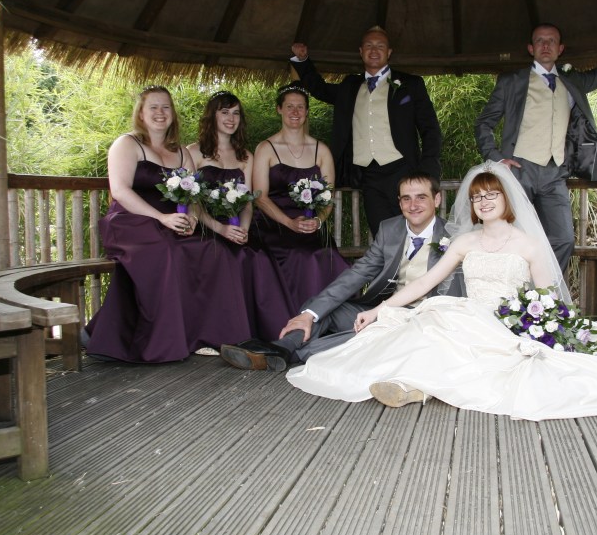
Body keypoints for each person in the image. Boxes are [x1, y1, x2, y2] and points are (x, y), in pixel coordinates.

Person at [286, 161, 597, 421]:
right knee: (430, 317)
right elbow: (424, 281)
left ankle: (417, 386)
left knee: (457, 333)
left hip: (511, 321)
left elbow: (549, 299)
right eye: (478, 197)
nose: (485, 203)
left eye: (492, 197)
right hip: (469, 314)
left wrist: (540, 327)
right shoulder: (462, 242)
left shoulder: (532, 246)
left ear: (507, 203)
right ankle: (410, 381)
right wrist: (381, 311)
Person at [220, 171, 464, 371]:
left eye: (421, 197)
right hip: (379, 311)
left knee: (370, 335)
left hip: (421, 323)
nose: (413, 205)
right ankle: (283, 346)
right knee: (320, 306)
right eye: (406, 198)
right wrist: (309, 314)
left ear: (437, 199)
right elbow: (356, 274)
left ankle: (282, 353)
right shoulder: (390, 229)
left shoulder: (454, 237)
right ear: (399, 202)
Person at [85, 85, 253, 363]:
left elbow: (194, 196)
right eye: (154, 107)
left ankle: (204, 335)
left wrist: (192, 220)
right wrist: (162, 217)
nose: (160, 113)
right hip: (131, 221)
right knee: (167, 251)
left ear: (173, 114)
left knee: (213, 251)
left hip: (173, 221)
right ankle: (159, 340)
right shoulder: (127, 144)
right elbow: (121, 191)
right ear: (140, 112)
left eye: (166, 107)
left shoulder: (180, 153)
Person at [474, 23, 597, 272]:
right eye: (540, 41)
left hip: (556, 173)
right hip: (519, 170)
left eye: (551, 41)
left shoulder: (571, 79)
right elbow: (484, 123)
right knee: (512, 237)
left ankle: (542, 298)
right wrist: (497, 159)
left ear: (560, 49)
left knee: (563, 239)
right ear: (531, 48)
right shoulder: (512, 81)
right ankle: (511, 298)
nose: (546, 45)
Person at [291, 26, 442, 232]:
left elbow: (430, 129)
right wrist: (303, 61)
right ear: (361, 51)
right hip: (368, 176)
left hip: (404, 171)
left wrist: (427, 172)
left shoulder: (410, 84)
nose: (374, 50)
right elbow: (320, 89)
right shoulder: (349, 86)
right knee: (382, 235)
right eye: (369, 46)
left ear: (389, 52)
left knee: (415, 232)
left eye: (380, 46)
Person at [188, 90, 290, 342]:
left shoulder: (245, 156)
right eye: (224, 112)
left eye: (235, 113)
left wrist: (243, 228)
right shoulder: (193, 152)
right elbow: (191, 202)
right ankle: (217, 334)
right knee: (221, 256)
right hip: (205, 228)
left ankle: (267, 332)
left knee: (256, 255)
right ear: (211, 116)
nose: (231, 118)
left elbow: (247, 202)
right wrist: (219, 229)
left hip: (237, 227)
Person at [249, 83, 350, 314]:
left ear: (306, 112)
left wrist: (319, 221)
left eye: (300, 107)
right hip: (273, 224)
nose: (295, 112)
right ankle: (290, 318)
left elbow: (328, 196)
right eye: (289, 106)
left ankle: (327, 318)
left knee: (325, 255)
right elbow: (260, 197)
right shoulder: (265, 148)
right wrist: (288, 223)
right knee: (298, 256)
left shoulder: (321, 150)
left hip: (310, 224)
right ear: (279, 110)